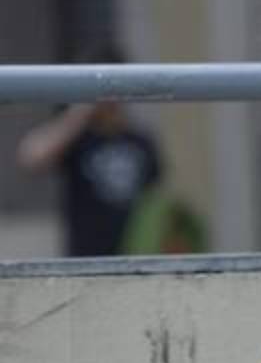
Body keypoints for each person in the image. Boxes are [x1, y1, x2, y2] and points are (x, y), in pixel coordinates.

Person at [16, 46, 163, 257]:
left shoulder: (141, 141)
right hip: (85, 258)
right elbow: (31, 157)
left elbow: (156, 200)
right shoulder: (78, 139)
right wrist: (79, 113)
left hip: (135, 256)